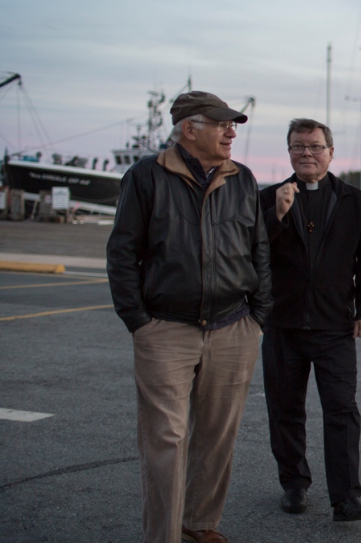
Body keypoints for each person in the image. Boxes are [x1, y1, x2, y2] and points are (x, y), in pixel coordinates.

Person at [106, 91, 272, 543]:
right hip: (165, 328)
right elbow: (121, 253)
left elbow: (258, 249)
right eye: (222, 124)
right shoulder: (145, 177)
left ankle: (200, 525)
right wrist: (140, 322)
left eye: (233, 125)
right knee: (166, 440)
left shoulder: (242, 178)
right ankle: (163, 536)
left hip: (233, 325)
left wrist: (258, 316)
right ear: (189, 128)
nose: (231, 132)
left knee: (217, 437)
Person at [258, 118, 361, 522]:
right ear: (289, 152)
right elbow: (250, 255)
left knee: (342, 411)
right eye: (298, 146)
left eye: (314, 146)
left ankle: (345, 498)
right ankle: (294, 483)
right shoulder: (267, 198)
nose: (306, 153)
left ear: (331, 151)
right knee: (285, 410)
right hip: (283, 325)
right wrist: (277, 216)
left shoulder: (352, 200)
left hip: (334, 327)